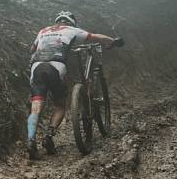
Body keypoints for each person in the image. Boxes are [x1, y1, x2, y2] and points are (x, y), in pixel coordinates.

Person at [27, 11, 123, 159]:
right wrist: (113, 41)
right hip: (56, 66)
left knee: (36, 107)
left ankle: (31, 140)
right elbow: (95, 37)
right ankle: (48, 136)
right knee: (60, 105)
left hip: (37, 67)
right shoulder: (72, 30)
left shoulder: (43, 30)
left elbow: (32, 50)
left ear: (57, 21)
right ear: (71, 22)